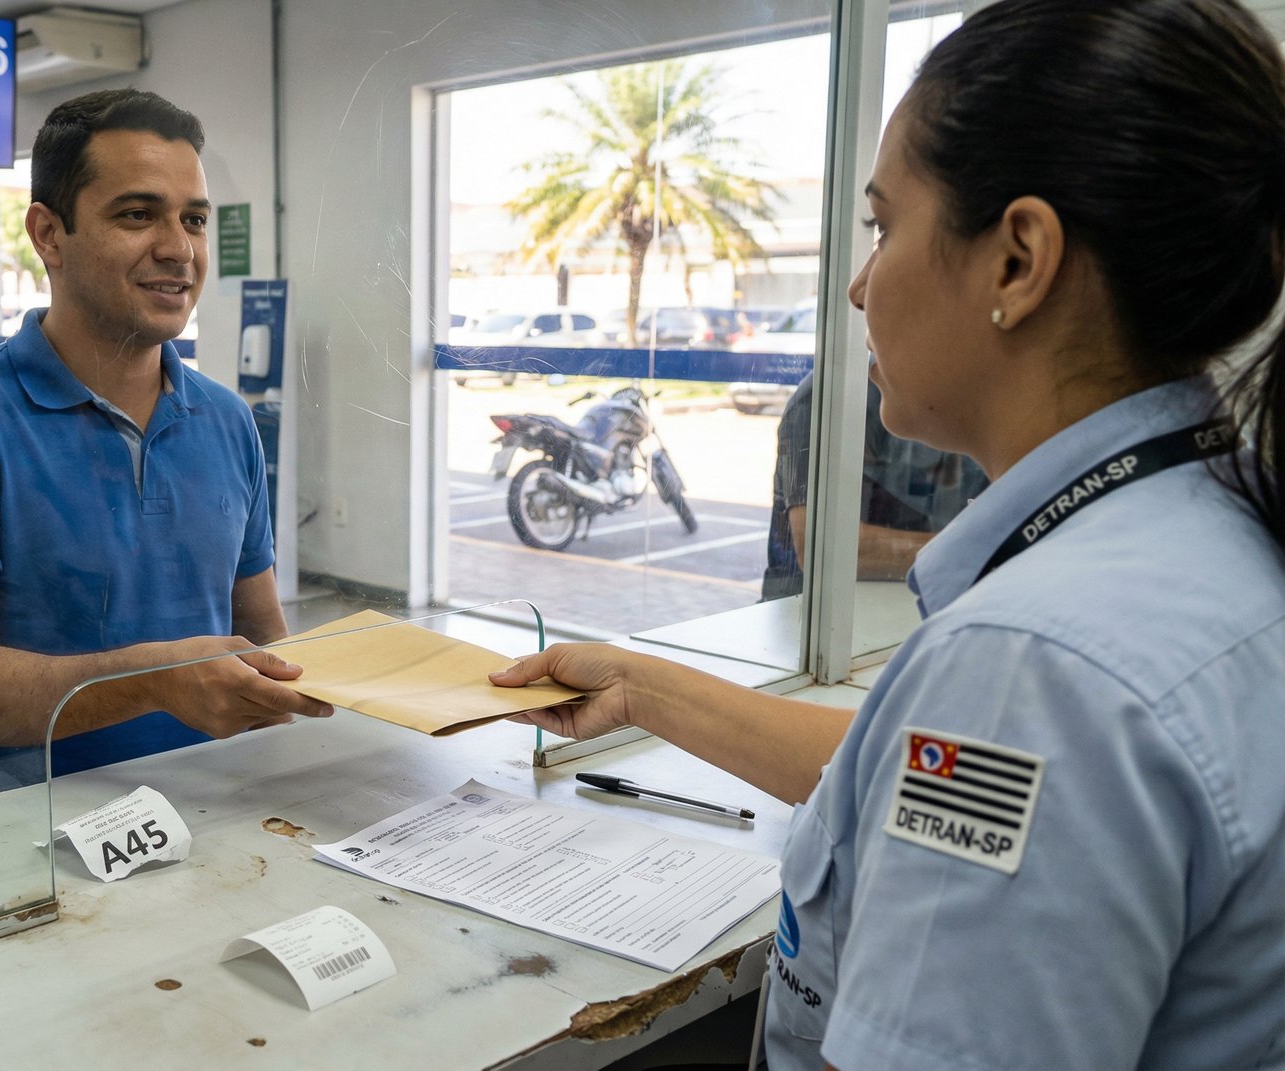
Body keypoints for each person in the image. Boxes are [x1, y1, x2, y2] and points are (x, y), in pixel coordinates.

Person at [491, 2, 1285, 1067]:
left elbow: (1009, 742)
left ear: (1018, 261)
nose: (862, 284)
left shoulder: (1032, 668)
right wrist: (643, 687)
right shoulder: (1211, 528)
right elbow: (917, 771)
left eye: (882, 226)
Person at [0, 89, 332, 805]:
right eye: (136, 214)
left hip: (221, 816)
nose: (178, 248)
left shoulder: (225, 420)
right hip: (32, 842)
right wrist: (154, 681)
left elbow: (261, 635)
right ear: (49, 234)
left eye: (193, 220)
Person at [761, 372, 987, 599]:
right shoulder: (834, 395)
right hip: (823, 618)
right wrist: (981, 549)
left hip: (930, 605)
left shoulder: (964, 397)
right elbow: (825, 548)